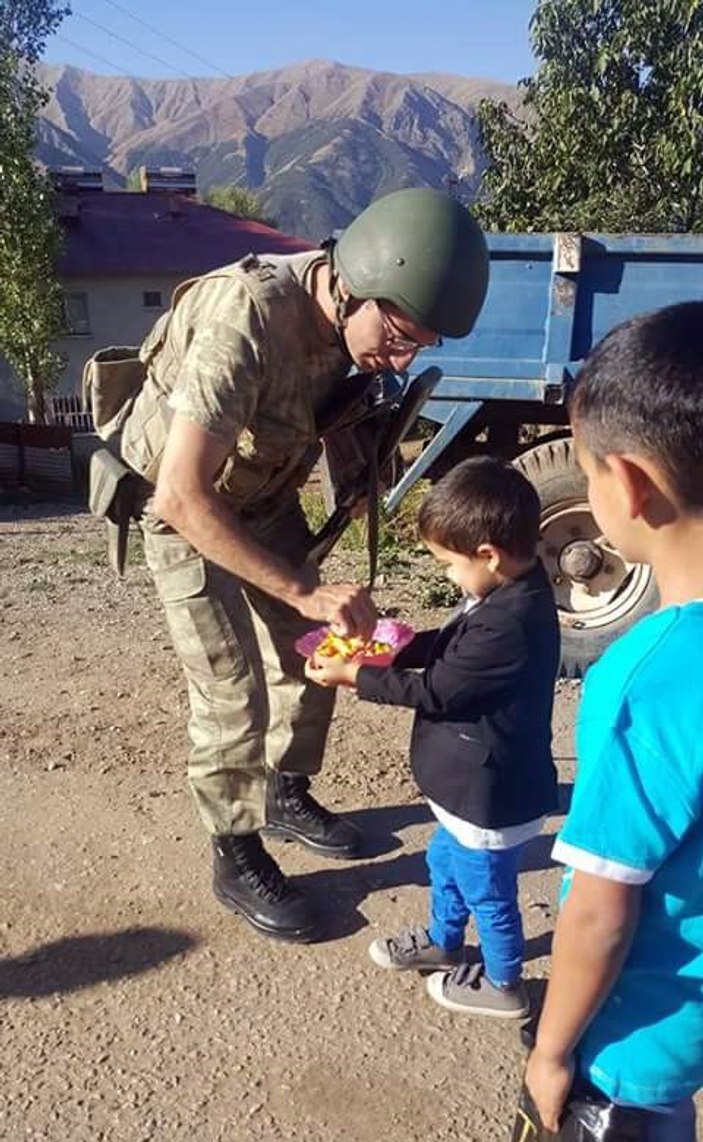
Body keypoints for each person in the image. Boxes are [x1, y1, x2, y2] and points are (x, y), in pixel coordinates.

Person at [115, 187, 490, 944]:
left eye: (420, 345)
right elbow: (182, 494)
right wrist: (301, 587)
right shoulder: (244, 319)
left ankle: (285, 792)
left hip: (264, 500)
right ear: (353, 282)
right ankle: (235, 849)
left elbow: (325, 416)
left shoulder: (355, 326)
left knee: (320, 649)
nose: (402, 355)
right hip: (184, 511)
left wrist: (356, 480)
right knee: (232, 690)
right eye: (397, 333)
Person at [525, 302, 703, 1140]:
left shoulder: (643, 680)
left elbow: (599, 911)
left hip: (636, 1054)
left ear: (627, 485)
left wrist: (551, 1052)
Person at [306, 456, 560, 1015]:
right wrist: (393, 648)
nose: (446, 575)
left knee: (489, 894)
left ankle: (504, 982)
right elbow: (453, 653)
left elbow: (437, 690)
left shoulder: (510, 622)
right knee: (444, 865)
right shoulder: (505, 591)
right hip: (465, 795)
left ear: (488, 555)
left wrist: (357, 676)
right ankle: (444, 942)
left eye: (447, 565)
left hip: (489, 797)